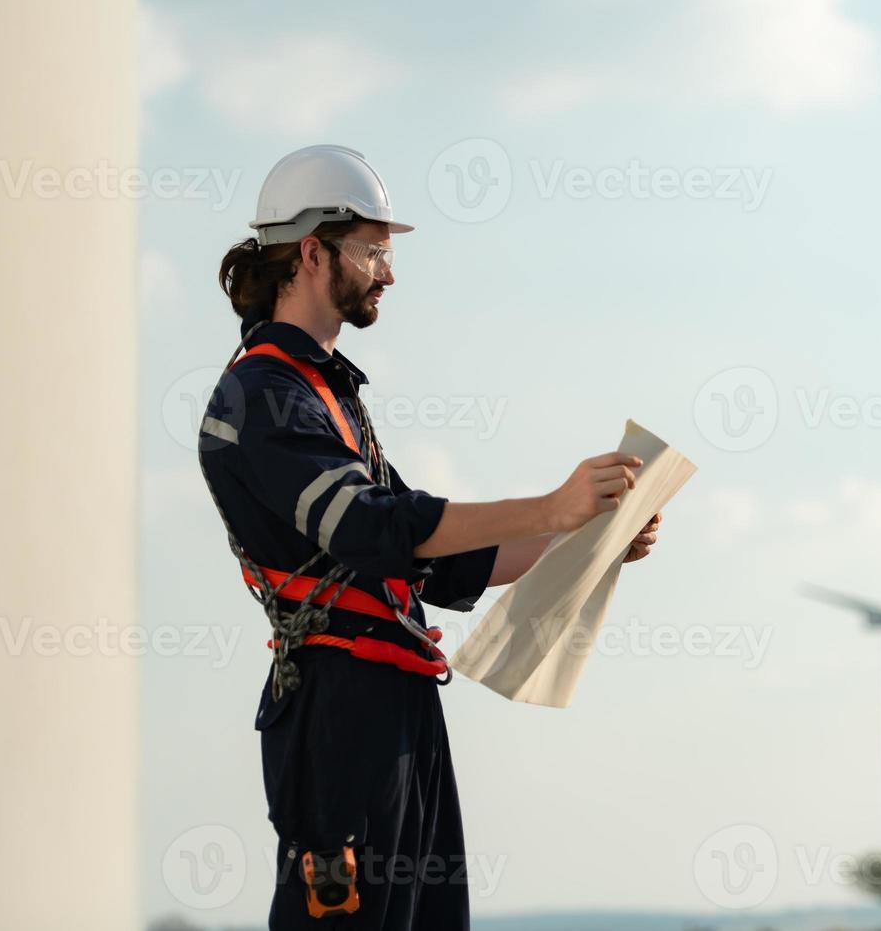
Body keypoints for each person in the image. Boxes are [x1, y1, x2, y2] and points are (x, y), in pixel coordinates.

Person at [197, 145, 663, 930]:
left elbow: (440, 561)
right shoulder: (262, 397)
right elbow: (374, 528)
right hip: (341, 716)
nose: (388, 271)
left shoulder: (322, 392)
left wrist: (588, 537)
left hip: (394, 709)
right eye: (374, 250)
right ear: (313, 253)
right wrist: (550, 507)